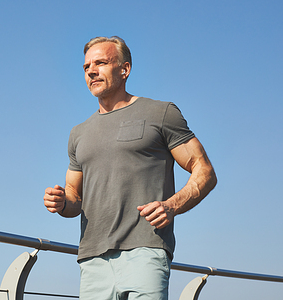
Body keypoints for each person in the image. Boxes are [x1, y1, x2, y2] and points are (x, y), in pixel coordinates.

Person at [43, 36, 217, 300]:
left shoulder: (160, 113)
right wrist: (61, 202)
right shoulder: (78, 134)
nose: (91, 70)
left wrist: (172, 205)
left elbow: (204, 170)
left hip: (145, 250)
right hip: (92, 259)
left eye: (100, 62)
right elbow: (74, 197)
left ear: (124, 69)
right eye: (86, 66)